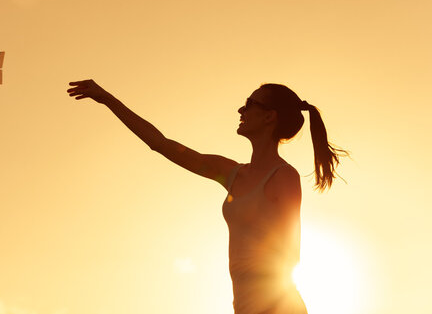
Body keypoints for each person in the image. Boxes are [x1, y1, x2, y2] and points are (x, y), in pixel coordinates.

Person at [67, 80, 347, 314]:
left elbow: (290, 255)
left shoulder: (283, 177)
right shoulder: (231, 173)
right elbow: (160, 144)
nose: (241, 108)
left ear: (269, 116)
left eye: (250, 102)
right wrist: (106, 99)